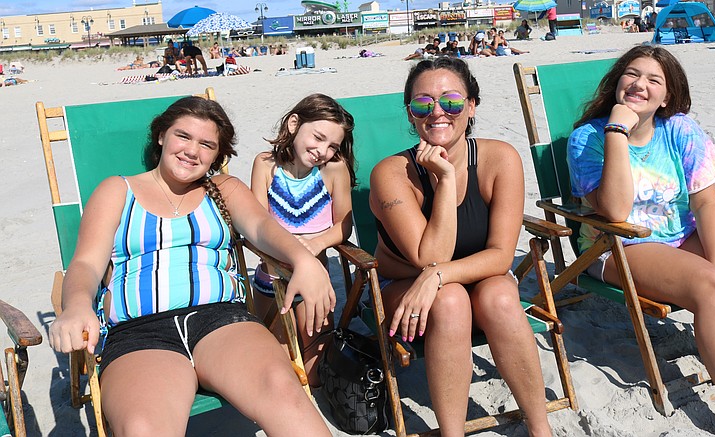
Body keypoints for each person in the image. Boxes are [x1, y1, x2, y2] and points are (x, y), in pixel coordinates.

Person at [48, 96, 335, 437]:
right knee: (141, 428)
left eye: (207, 144)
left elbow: (262, 228)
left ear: (217, 155)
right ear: (161, 137)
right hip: (140, 332)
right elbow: (85, 264)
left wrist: (304, 259)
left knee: (283, 392)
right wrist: (77, 305)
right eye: (183, 136)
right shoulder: (117, 190)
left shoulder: (222, 189)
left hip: (222, 320)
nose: (192, 151)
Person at [566, 44, 715, 437]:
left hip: (681, 233)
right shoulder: (587, 139)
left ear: (667, 95)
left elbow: (706, 202)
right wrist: (617, 130)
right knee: (714, 288)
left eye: (653, 80)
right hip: (618, 246)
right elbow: (616, 211)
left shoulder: (680, 129)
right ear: (616, 82)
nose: (640, 84)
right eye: (632, 74)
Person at [370, 56, 553, 436]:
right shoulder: (390, 174)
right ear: (410, 115)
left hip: (468, 278)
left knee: (502, 297)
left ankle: (540, 429)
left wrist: (438, 275)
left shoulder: (499, 159)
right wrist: (447, 179)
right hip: (405, 290)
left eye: (451, 101)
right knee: (451, 301)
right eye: (422, 104)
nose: (437, 112)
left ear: (471, 106)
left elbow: (502, 256)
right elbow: (428, 256)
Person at [250, 94, 356, 387]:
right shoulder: (265, 165)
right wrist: (293, 248)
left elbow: (343, 225)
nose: (323, 150)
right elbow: (255, 222)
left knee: (315, 374)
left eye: (332, 145)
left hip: (314, 286)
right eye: (318, 137)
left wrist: (316, 244)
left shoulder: (334, 170)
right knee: (280, 369)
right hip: (271, 283)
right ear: (295, 123)